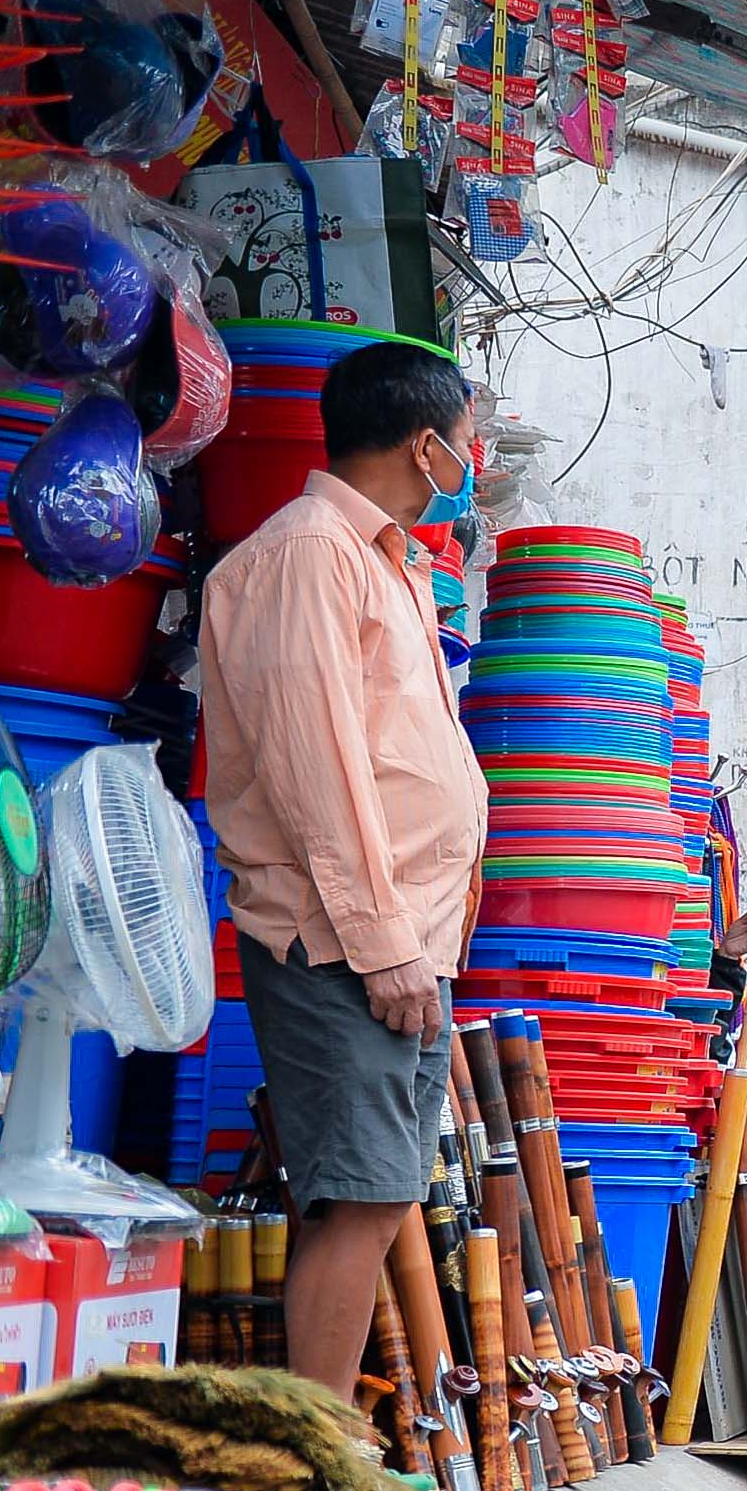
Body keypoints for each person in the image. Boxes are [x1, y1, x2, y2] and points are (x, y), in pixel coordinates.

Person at [201, 341, 487, 1398]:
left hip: (396, 941)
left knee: (379, 1195)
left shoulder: (386, 561)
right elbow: (321, 773)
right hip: (344, 943)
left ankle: (319, 1445)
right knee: (361, 1196)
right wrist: (388, 951)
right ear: (424, 444)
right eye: (466, 437)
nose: (475, 454)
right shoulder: (310, 555)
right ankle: (308, 1460)